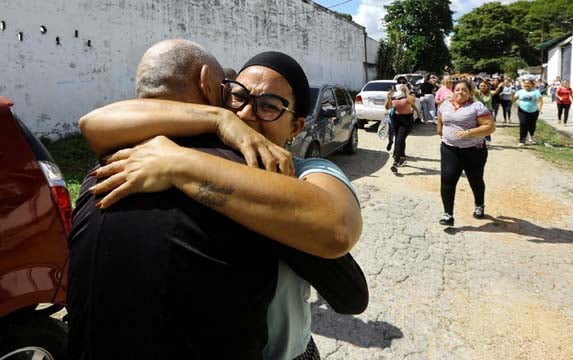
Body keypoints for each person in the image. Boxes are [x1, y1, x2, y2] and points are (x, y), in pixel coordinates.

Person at [72, 42, 367, 359]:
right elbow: (92, 122)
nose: (244, 114)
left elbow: (337, 229)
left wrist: (178, 163)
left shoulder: (302, 173)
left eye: (269, 105)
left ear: (296, 127)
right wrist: (215, 119)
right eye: (238, 96)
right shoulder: (153, 157)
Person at [436, 79, 495, 226]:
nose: (460, 92)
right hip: (450, 149)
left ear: (470, 93)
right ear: (453, 91)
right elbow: (440, 122)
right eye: (457, 89)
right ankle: (448, 215)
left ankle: (479, 205)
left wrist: (470, 132)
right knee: (447, 180)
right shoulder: (445, 105)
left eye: (464, 90)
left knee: (475, 180)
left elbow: (490, 127)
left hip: (474, 151)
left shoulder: (477, 107)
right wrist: (443, 134)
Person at [385, 83, 420, 173]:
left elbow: (412, 102)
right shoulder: (394, 97)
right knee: (399, 139)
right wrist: (389, 98)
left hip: (407, 120)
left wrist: (406, 92)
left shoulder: (409, 95)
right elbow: (387, 107)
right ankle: (402, 157)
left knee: (400, 139)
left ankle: (396, 162)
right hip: (396, 119)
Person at [512, 79, 543, 146]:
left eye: (528, 83)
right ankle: (522, 140)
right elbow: (513, 100)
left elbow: (539, 101)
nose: (526, 85)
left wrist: (539, 109)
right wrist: (512, 95)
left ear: (532, 84)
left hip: (534, 111)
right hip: (522, 110)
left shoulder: (536, 92)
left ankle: (531, 136)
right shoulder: (520, 92)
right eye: (525, 83)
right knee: (523, 124)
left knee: (532, 125)